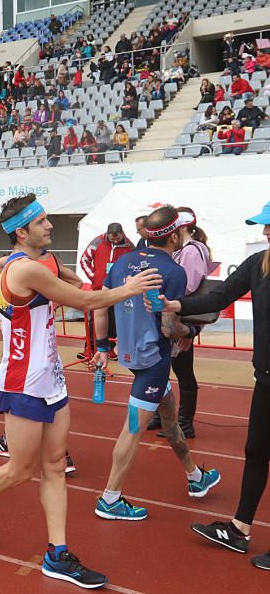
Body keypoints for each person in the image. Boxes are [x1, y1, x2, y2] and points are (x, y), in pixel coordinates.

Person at [0, 194, 161, 589]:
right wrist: (130, 288)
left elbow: (76, 283)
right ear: (21, 232)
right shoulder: (26, 269)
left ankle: (57, 554)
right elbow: (85, 299)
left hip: (52, 377)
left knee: (56, 465)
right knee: (20, 470)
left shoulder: (35, 263)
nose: (50, 226)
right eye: (42, 222)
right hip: (22, 380)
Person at [91, 206, 221, 522]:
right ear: (174, 235)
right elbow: (168, 326)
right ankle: (110, 498)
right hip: (153, 363)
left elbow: (99, 307)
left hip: (130, 356)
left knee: (169, 418)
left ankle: (194, 477)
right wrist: (191, 330)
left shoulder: (122, 261)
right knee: (133, 429)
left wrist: (101, 347)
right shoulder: (173, 272)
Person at [179, 201, 270, 570]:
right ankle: (239, 528)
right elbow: (218, 296)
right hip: (265, 378)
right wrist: (176, 304)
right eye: (264, 226)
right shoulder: (258, 264)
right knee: (255, 452)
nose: (264, 232)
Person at [0, 250, 79, 475]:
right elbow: (77, 281)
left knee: (24, 389)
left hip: (24, 349)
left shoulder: (15, 263)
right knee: (49, 395)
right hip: (45, 350)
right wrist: (53, 302)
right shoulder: (52, 260)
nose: (47, 226)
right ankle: (59, 455)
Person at [148, 208, 216, 436]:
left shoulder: (191, 252)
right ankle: (163, 415)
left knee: (182, 371)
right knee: (167, 368)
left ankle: (185, 422)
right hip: (178, 316)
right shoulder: (188, 250)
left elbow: (186, 288)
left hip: (181, 318)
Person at [80, 222, 134, 359]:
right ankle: (90, 348)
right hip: (99, 289)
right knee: (95, 320)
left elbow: (133, 266)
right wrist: (94, 278)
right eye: (112, 239)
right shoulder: (97, 242)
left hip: (118, 290)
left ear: (122, 233)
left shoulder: (129, 246)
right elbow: (84, 260)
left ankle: (109, 348)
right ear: (107, 235)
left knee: (114, 319)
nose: (115, 241)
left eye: (117, 238)